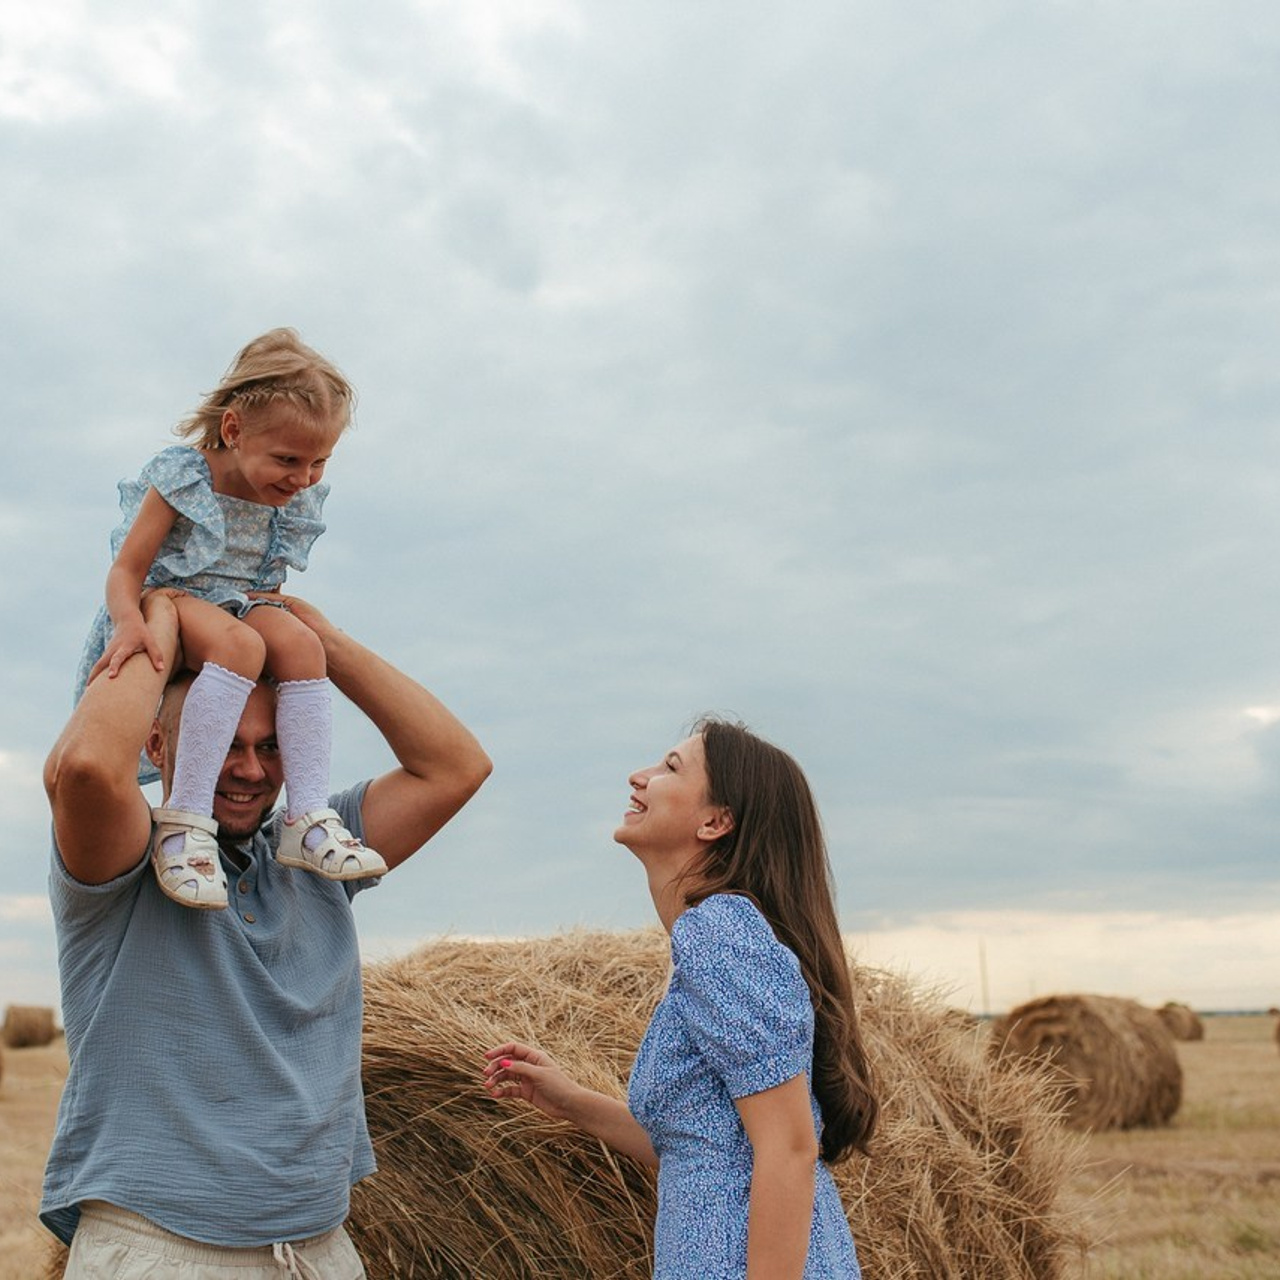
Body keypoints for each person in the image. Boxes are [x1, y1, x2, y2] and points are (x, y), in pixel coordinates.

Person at [43, 588, 492, 1276]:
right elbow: (83, 769)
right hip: (164, 1249)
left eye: (273, 745)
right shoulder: (124, 857)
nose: (251, 769)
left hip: (318, 1248)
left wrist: (321, 646)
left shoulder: (312, 853)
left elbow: (456, 766)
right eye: (222, 741)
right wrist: (160, 620)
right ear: (158, 744)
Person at [483, 718, 878, 1278]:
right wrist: (569, 1099)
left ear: (716, 822)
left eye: (670, 768)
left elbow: (790, 1147)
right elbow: (704, 1149)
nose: (639, 777)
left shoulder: (719, 935)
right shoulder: (709, 939)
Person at [75, 327, 386, 912]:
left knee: (302, 646)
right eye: (289, 460)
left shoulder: (288, 496)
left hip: (236, 608)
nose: (303, 478)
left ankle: (307, 813)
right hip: (169, 597)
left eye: (320, 462)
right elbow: (126, 569)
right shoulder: (184, 478)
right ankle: (187, 817)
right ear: (234, 429)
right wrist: (128, 623)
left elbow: (264, 586)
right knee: (242, 648)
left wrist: (283, 617)